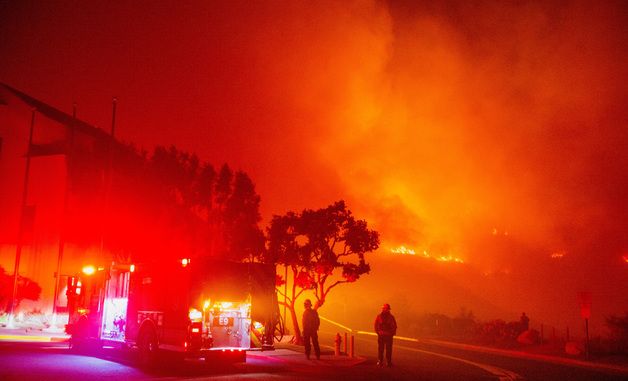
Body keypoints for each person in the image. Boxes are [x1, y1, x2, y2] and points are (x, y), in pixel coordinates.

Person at [374, 303, 397, 367]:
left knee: (388, 349)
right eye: (385, 308)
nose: (385, 310)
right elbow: (376, 325)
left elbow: (394, 326)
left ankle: (388, 362)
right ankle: (380, 361)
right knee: (381, 349)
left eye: (386, 309)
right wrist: (378, 332)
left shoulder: (391, 317)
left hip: (388, 336)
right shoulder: (379, 317)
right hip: (382, 335)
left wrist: (391, 333)